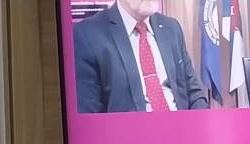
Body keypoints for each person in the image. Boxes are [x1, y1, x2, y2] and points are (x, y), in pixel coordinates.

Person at [72, 0, 210, 113]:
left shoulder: (171, 28)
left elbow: (194, 93)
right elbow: (89, 117)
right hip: (130, 136)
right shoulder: (88, 35)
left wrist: (200, 127)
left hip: (181, 131)